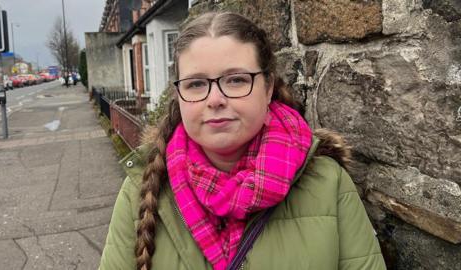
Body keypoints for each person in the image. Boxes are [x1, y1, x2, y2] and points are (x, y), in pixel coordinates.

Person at [99, 12, 386, 270]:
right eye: (196, 84)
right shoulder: (140, 189)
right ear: (179, 95)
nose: (215, 100)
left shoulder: (327, 183)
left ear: (268, 86)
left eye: (236, 80)